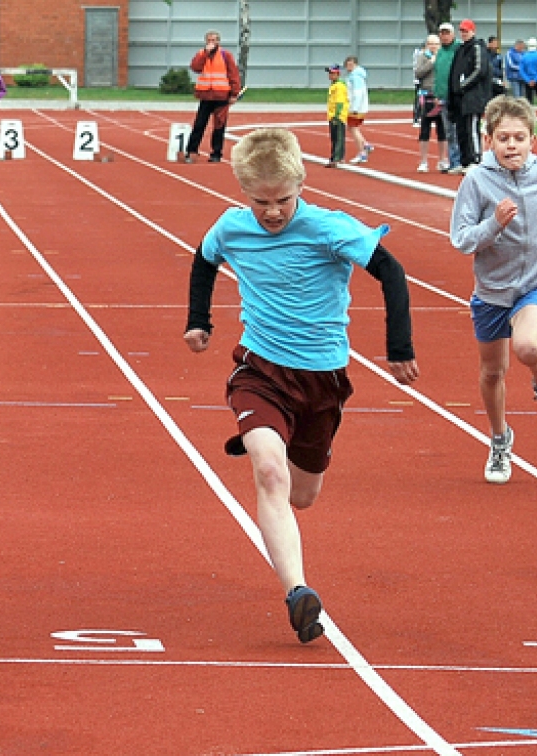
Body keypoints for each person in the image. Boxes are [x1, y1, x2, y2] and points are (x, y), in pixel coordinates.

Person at [183, 127, 419, 643]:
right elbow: (203, 259)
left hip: (322, 380)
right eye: (260, 202)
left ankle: (273, 438)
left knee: (304, 495)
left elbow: (392, 271)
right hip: (261, 371)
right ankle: (298, 592)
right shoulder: (231, 227)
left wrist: (399, 346)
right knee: (270, 473)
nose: (272, 212)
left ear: (301, 186)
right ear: (244, 192)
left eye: (282, 201)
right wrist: (199, 319)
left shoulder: (329, 228)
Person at [450, 96, 537, 484]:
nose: (512, 146)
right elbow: (461, 239)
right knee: (493, 372)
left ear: (532, 140)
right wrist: (494, 224)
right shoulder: (477, 181)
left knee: (527, 346)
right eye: (503, 138)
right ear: (488, 140)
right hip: (493, 290)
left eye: (519, 138)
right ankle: (500, 439)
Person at [184, 30, 241, 164]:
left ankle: (216, 153)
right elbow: (195, 67)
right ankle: (191, 151)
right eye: (209, 40)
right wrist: (205, 53)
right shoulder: (201, 54)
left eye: (214, 40)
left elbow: (233, 74)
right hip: (206, 95)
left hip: (221, 96)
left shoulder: (225, 55)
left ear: (218, 42)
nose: (211, 43)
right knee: (199, 124)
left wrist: (234, 94)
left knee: (219, 126)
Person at [447, 19, 492, 173]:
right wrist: (454, 90)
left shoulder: (477, 48)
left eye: (466, 31)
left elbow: (480, 70)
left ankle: (475, 159)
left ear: (473, 31)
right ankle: (465, 160)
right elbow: (454, 71)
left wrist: (463, 85)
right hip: (460, 97)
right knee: (461, 129)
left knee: (471, 128)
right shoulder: (460, 49)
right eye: (462, 31)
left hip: (473, 97)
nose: (464, 33)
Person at [414, 33, 448, 173]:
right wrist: (431, 62)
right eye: (431, 44)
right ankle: (423, 161)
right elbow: (418, 73)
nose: (433, 46)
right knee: (425, 129)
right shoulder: (422, 57)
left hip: (440, 96)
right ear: (427, 45)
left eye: (436, 44)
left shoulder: (444, 56)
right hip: (426, 94)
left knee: (442, 129)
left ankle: (442, 160)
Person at [433, 22, 461, 172]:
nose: (444, 36)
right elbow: (438, 75)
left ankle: (461, 160)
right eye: (442, 33)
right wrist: (437, 94)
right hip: (443, 96)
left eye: (447, 33)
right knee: (449, 131)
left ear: (452, 34)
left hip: (456, 96)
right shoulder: (440, 52)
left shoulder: (459, 49)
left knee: (458, 130)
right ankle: (453, 161)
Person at [345, 55, 372, 163]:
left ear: (355, 64)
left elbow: (358, 93)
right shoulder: (355, 75)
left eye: (351, 64)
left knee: (353, 128)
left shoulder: (355, 77)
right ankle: (365, 145)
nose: (348, 66)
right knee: (351, 128)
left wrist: (355, 108)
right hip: (356, 107)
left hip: (356, 108)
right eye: (347, 64)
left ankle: (362, 152)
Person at [324, 64, 348, 167]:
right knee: (335, 137)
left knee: (338, 138)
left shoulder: (339, 86)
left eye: (332, 73)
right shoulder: (334, 85)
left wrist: (336, 115)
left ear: (337, 74)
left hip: (338, 116)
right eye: (329, 73)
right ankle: (338, 157)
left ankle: (336, 158)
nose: (330, 75)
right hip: (332, 115)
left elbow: (339, 102)